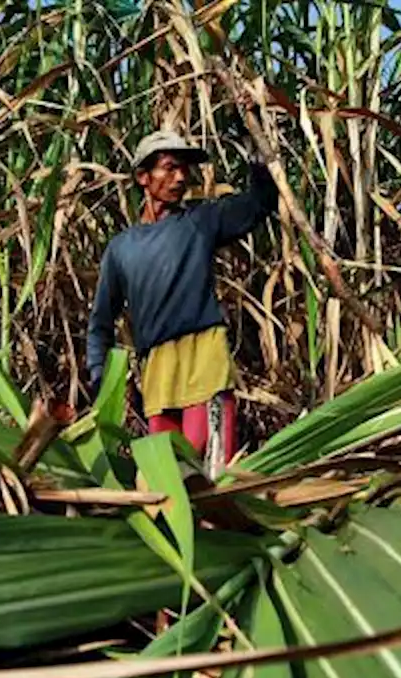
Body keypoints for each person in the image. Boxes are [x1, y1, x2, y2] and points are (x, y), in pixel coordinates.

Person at [85, 105, 277, 478]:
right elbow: (101, 322)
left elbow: (261, 202)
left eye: (184, 169)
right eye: (169, 168)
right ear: (143, 177)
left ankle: (224, 527)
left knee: (207, 457)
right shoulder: (122, 248)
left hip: (202, 353)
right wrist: (99, 378)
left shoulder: (201, 222)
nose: (180, 177)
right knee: (168, 472)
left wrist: (253, 142)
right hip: (156, 365)